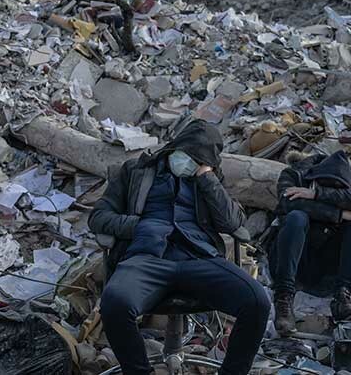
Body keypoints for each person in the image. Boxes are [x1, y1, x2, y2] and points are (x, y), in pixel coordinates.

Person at [89, 121, 270, 375]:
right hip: (147, 256)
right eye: (186, 153)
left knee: (257, 301)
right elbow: (98, 217)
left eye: (198, 159)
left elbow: (234, 223)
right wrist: (137, 226)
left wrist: (206, 178)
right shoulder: (136, 170)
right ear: (174, 147)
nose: (188, 161)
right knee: (114, 302)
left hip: (199, 257)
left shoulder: (208, 179)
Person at [269, 150, 351, 335]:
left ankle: (343, 297)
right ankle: (283, 299)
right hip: (294, 261)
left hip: (325, 269)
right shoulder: (293, 174)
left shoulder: (349, 178)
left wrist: (317, 195)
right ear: (314, 179)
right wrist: (339, 213)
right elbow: (286, 203)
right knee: (296, 217)